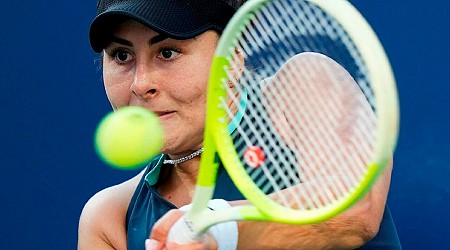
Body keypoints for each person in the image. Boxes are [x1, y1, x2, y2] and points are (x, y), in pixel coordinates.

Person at [78, 0, 402, 249]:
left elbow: (356, 207)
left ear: (233, 58)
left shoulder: (303, 86)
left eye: (167, 52)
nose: (140, 83)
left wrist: (217, 230)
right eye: (121, 56)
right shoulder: (111, 218)